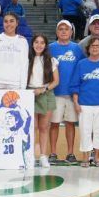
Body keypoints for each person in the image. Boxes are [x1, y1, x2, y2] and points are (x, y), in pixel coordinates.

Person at [47, 20, 83, 164]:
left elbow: (82, 68)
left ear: (71, 32)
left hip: (72, 93)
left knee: (70, 123)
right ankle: (53, 153)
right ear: (56, 32)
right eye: (60, 29)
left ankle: (70, 153)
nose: (63, 31)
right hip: (55, 92)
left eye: (66, 29)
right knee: (54, 123)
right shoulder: (50, 48)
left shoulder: (77, 48)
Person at [74, 37, 99, 167]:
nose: (95, 48)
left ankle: (97, 157)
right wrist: (76, 102)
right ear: (88, 48)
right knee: (85, 130)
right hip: (84, 103)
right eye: (92, 46)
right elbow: (76, 85)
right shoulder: (81, 64)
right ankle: (85, 158)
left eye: (97, 46)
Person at [27, 34, 59, 168]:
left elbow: (56, 81)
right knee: (31, 128)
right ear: (32, 44)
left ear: (45, 45)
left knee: (44, 127)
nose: (39, 45)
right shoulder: (26, 59)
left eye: (42, 43)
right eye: (36, 42)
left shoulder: (51, 60)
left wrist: (43, 89)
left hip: (45, 93)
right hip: (29, 93)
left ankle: (43, 156)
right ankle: (30, 156)